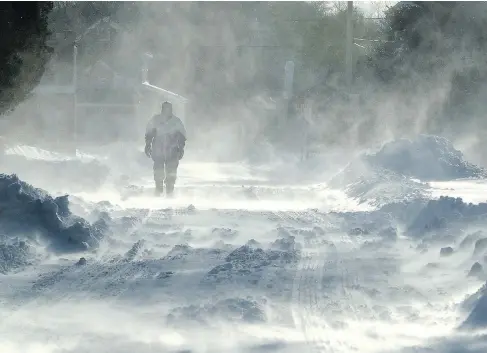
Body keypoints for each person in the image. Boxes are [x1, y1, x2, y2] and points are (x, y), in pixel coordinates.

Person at [144, 101, 186, 196]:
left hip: (172, 148)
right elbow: (149, 133)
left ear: (171, 110)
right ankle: (158, 188)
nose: (167, 111)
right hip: (158, 147)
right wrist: (148, 145)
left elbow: (182, 136)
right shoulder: (155, 120)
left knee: (171, 170)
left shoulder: (176, 121)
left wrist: (181, 148)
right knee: (158, 169)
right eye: (165, 109)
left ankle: (170, 190)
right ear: (162, 109)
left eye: (169, 109)